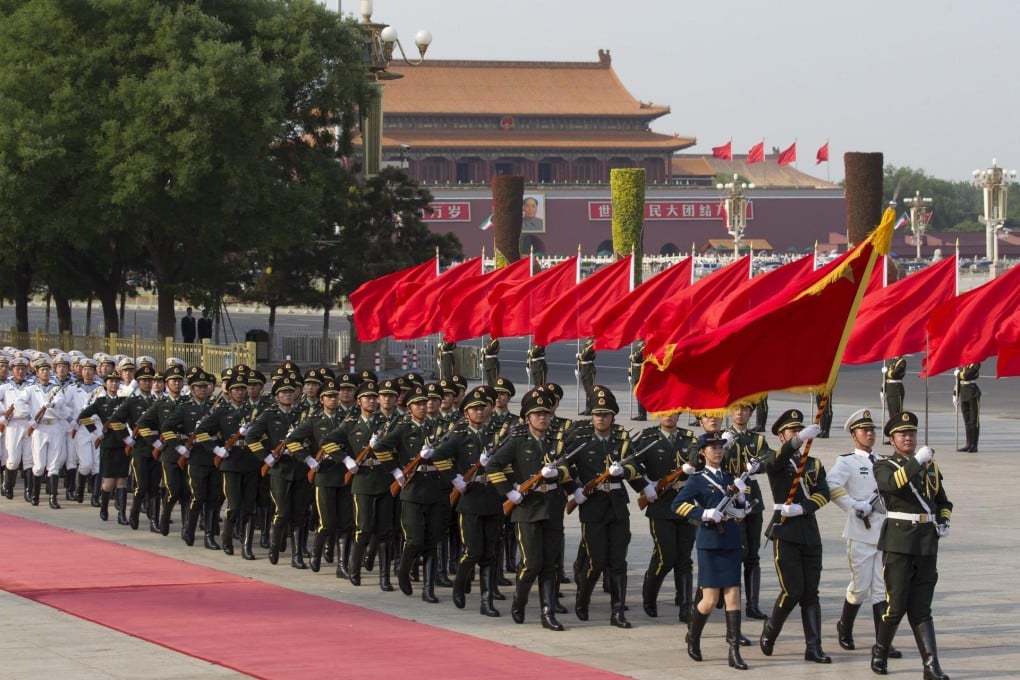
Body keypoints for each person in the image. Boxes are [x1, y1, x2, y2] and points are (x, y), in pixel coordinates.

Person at [871, 411, 952, 680]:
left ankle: (931, 665)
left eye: (912, 433)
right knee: (895, 606)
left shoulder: (931, 466)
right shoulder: (884, 465)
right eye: (903, 434)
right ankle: (880, 651)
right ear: (892, 440)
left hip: (927, 542)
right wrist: (917, 460)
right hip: (899, 541)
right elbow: (892, 485)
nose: (909, 437)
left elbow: (943, 501)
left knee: (921, 607)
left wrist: (943, 521)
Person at [485, 389, 569, 631]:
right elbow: (493, 466)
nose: (543, 417)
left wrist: (558, 474)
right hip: (527, 509)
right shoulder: (517, 442)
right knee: (531, 562)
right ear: (527, 418)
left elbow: (568, 471)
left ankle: (548, 612)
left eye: (545, 413)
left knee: (550, 563)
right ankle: (519, 602)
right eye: (537, 414)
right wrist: (509, 492)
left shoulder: (557, 442)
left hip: (552, 507)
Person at [826, 409, 902, 660]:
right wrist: (853, 505)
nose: (869, 434)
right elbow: (831, 484)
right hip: (860, 533)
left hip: (883, 532)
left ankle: (883, 643)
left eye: (872, 430)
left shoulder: (882, 460)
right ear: (853, 434)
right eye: (864, 430)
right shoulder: (847, 461)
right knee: (860, 588)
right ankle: (844, 626)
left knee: (882, 589)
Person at [672, 431, 751, 671]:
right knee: (709, 600)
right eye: (712, 447)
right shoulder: (697, 479)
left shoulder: (730, 477)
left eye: (720, 447)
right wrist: (703, 513)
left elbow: (742, 511)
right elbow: (677, 505)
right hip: (709, 542)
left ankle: (734, 650)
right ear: (703, 452)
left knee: (734, 595)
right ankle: (694, 637)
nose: (717, 451)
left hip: (731, 541)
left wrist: (739, 498)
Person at [758, 409, 832, 664]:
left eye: (800, 429)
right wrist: (797, 440)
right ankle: (771, 630)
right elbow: (772, 463)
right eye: (792, 430)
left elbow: (824, 492)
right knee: (792, 590)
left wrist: (805, 507)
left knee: (811, 592)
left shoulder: (813, 463)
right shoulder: (774, 457)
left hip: (809, 531)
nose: (798, 433)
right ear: (781, 436)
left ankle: (814, 647)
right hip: (785, 530)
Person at [566, 386, 640, 629]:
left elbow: (635, 467)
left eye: (605, 414)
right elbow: (565, 467)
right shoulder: (580, 439)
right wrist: (575, 488)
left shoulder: (622, 439)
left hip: (618, 506)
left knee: (618, 561)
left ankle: (617, 611)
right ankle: (583, 598)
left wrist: (624, 471)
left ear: (613, 416)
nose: (601, 418)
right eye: (597, 414)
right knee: (596, 561)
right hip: (593, 507)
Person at [374, 385, 451, 602]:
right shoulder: (403, 428)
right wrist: (397, 470)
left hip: (435, 489)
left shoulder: (438, 427)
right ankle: (403, 569)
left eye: (424, 403)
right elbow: (380, 448)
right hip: (413, 490)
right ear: (409, 407)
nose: (423, 407)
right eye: (418, 404)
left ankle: (428, 589)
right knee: (415, 540)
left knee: (431, 541)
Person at [433, 387, 504, 616]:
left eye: (482, 408)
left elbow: (508, 464)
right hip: (471, 498)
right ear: (466, 413)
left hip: (492, 497)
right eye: (474, 409)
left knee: (490, 553)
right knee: (472, 550)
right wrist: (455, 479)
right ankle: (459, 584)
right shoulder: (460, 437)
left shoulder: (497, 435)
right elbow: (437, 456)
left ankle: (486, 601)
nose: (479, 412)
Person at [630, 412, 698, 620]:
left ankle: (686, 605)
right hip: (661, 504)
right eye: (664, 413)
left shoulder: (689, 438)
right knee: (665, 556)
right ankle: (649, 596)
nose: (668, 416)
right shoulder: (648, 438)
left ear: (679, 414)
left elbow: (702, 460)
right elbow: (630, 465)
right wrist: (644, 486)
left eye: (673, 413)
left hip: (685, 503)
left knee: (684, 558)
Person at [725, 402, 772, 622]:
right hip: (730, 500)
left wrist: (759, 465)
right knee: (737, 553)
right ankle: (728, 599)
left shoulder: (757, 439)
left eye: (745, 410)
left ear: (751, 413)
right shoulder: (724, 438)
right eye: (736, 409)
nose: (740, 413)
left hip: (752, 500)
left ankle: (752, 604)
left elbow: (770, 458)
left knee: (752, 554)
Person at [954, 362, 980, 452]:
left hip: (972, 392)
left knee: (974, 420)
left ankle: (974, 445)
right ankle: (968, 443)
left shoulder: (976, 362)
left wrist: (959, 374)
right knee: (967, 420)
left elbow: (969, 374)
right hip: (964, 393)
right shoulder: (964, 363)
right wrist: (955, 395)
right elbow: (958, 380)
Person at [882, 357, 907, 433]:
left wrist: (887, 371)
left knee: (897, 414)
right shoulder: (891, 361)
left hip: (896, 389)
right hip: (889, 389)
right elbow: (886, 377)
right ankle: (893, 434)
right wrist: (883, 388)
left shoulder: (902, 362)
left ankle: (898, 434)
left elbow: (894, 374)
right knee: (891, 414)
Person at [576, 338, 597, 415]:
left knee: (590, 390)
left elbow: (584, 356)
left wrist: (579, 356)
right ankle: (587, 408)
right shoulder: (585, 345)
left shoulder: (593, 345)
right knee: (586, 391)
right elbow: (580, 359)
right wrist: (577, 368)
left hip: (589, 369)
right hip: (583, 369)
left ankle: (590, 409)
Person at [628, 340, 647, 421]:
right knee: (637, 394)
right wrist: (629, 373)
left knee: (641, 394)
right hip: (635, 372)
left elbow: (637, 357)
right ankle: (640, 413)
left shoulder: (645, 347)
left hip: (641, 372)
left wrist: (631, 357)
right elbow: (632, 362)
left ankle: (643, 415)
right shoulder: (638, 346)